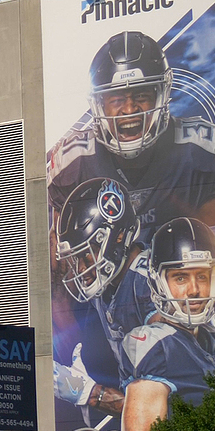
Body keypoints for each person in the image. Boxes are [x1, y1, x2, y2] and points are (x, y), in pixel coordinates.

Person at [47, 31, 215, 232]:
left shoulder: (198, 152)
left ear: (161, 95)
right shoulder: (74, 164)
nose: (130, 109)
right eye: (116, 99)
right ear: (99, 105)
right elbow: (63, 256)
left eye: (141, 96)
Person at [120, 217, 215, 431]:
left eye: (202, 276)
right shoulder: (156, 346)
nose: (194, 290)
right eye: (181, 278)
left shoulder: (213, 339)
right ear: (158, 283)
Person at [51, 178, 156, 415]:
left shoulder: (149, 285)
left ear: (117, 237)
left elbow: (159, 410)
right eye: (75, 259)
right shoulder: (108, 286)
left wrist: (93, 394)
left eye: (86, 255)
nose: (79, 269)